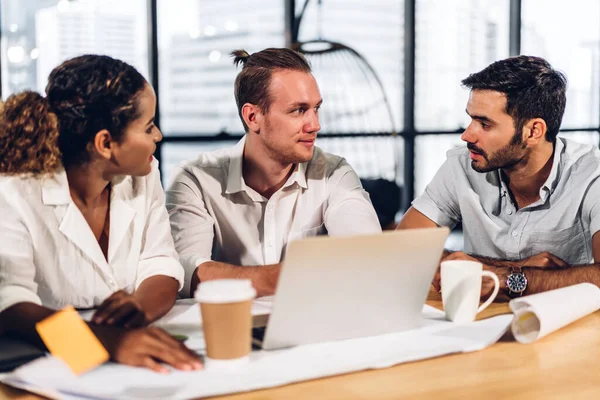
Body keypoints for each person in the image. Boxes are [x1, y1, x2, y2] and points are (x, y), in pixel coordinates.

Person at [0, 54, 201, 373]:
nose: (158, 136)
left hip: (125, 354)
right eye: (148, 126)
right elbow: (9, 307)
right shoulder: (14, 192)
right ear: (105, 143)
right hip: (47, 363)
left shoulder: (143, 176)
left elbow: (161, 262)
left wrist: (140, 308)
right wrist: (106, 344)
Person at [167, 48, 381, 298]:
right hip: (229, 327)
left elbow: (368, 257)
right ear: (253, 116)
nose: (315, 125)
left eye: (316, 108)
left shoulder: (334, 173)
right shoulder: (195, 179)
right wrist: (289, 276)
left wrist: (238, 278)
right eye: (299, 110)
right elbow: (184, 273)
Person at [398, 55, 600, 300]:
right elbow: (404, 248)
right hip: (474, 322)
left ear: (533, 131)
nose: (467, 135)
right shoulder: (461, 165)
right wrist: (514, 268)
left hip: (566, 329)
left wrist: (503, 278)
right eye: (471, 118)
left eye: (484, 124)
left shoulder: (592, 174)